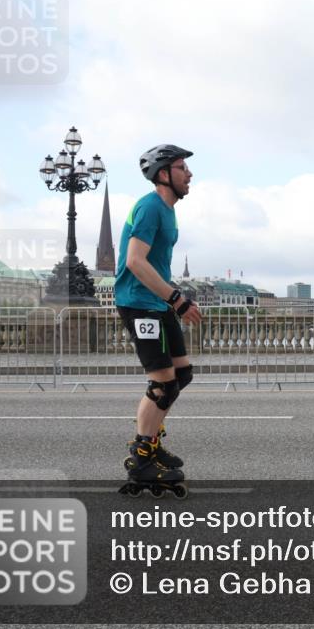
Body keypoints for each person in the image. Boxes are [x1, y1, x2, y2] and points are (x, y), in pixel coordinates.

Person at [114, 144, 203, 497]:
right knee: (163, 382)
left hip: (158, 303)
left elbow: (157, 264)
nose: (190, 174)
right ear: (164, 174)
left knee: (181, 375)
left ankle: (151, 442)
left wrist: (174, 296)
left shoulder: (168, 210)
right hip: (139, 303)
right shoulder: (150, 206)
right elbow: (135, 261)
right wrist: (177, 299)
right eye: (182, 168)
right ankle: (142, 455)